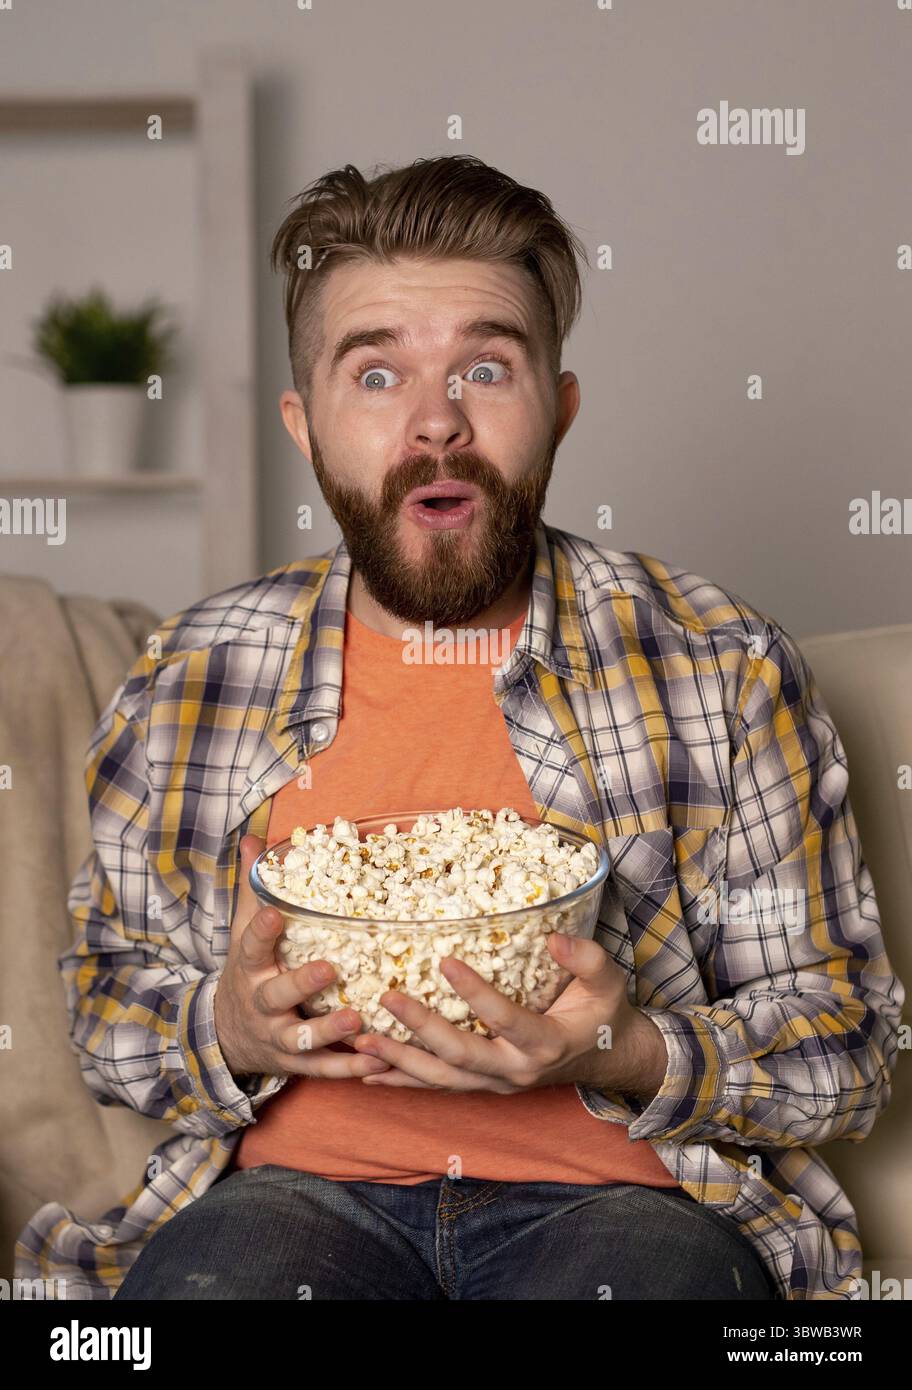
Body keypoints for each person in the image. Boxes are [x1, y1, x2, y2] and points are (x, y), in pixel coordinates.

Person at [15, 156, 903, 1301]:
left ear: (560, 408)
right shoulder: (195, 675)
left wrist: (627, 1050)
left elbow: (852, 1045)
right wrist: (227, 1026)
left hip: (629, 1206)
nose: (437, 422)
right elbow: (101, 1002)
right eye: (376, 373)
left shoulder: (720, 666)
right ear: (306, 423)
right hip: (292, 1203)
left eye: (486, 366)